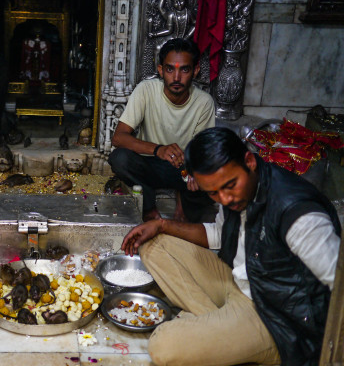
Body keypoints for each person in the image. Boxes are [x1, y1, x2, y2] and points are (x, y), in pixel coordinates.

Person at [122, 127, 341, 366]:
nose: (225, 199)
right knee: (154, 245)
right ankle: (222, 328)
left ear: (249, 161)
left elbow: (338, 286)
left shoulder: (298, 215)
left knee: (162, 344)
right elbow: (219, 233)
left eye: (230, 185)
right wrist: (161, 224)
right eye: (213, 193)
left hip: (272, 316)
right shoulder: (238, 191)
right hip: (238, 281)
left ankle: (247, 342)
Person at [108, 38, 215, 222]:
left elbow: (203, 152)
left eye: (185, 69)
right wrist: (159, 149)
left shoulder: (204, 102)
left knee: (211, 178)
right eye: (170, 69)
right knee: (119, 158)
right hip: (149, 164)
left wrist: (194, 172)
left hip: (182, 170)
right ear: (160, 70)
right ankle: (149, 206)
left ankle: (184, 201)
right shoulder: (146, 90)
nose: (176, 77)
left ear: (195, 71)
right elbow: (119, 137)